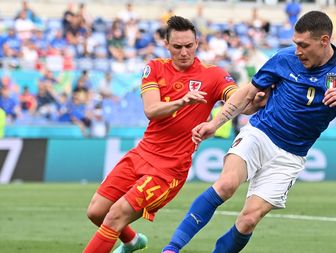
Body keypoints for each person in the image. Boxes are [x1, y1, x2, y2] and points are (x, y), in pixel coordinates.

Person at [162, 10, 336, 253]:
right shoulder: (284, 58)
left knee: (248, 220)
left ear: (324, 41)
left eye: (304, 45)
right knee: (226, 185)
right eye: (295, 43)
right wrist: (215, 124)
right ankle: (172, 248)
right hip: (260, 133)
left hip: (291, 155)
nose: (297, 50)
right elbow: (247, 93)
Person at [82, 16, 265, 253]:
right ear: (167, 45)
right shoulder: (155, 67)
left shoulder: (214, 75)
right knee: (96, 212)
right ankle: (132, 241)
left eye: (189, 46)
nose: (184, 52)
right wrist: (182, 101)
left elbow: (238, 101)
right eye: (177, 47)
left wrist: (255, 102)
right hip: (142, 154)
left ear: (197, 43)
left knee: (116, 215)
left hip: (169, 169)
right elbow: (151, 110)